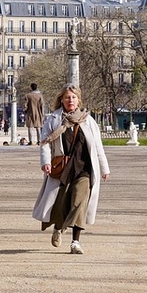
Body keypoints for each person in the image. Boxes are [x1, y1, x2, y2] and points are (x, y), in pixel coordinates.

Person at [33, 86, 110, 255]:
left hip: (84, 168)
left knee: (79, 202)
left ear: (78, 100)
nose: (70, 101)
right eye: (67, 97)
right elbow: (45, 143)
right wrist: (46, 162)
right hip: (62, 167)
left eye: (74, 97)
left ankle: (76, 241)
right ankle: (59, 227)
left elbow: (97, 146)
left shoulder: (87, 120)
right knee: (61, 202)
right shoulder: (53, 119)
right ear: (62, 99)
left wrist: (104, 168)